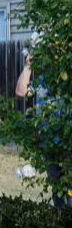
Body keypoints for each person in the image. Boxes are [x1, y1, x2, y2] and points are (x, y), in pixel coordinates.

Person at [15, 53, 72, 208]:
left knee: (70, 189)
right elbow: (21, 91)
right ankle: (60, 219)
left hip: (69, 142)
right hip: (49, 144)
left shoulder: (68, 81)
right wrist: (28, 66)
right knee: (57, 185)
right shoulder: (42, 81)